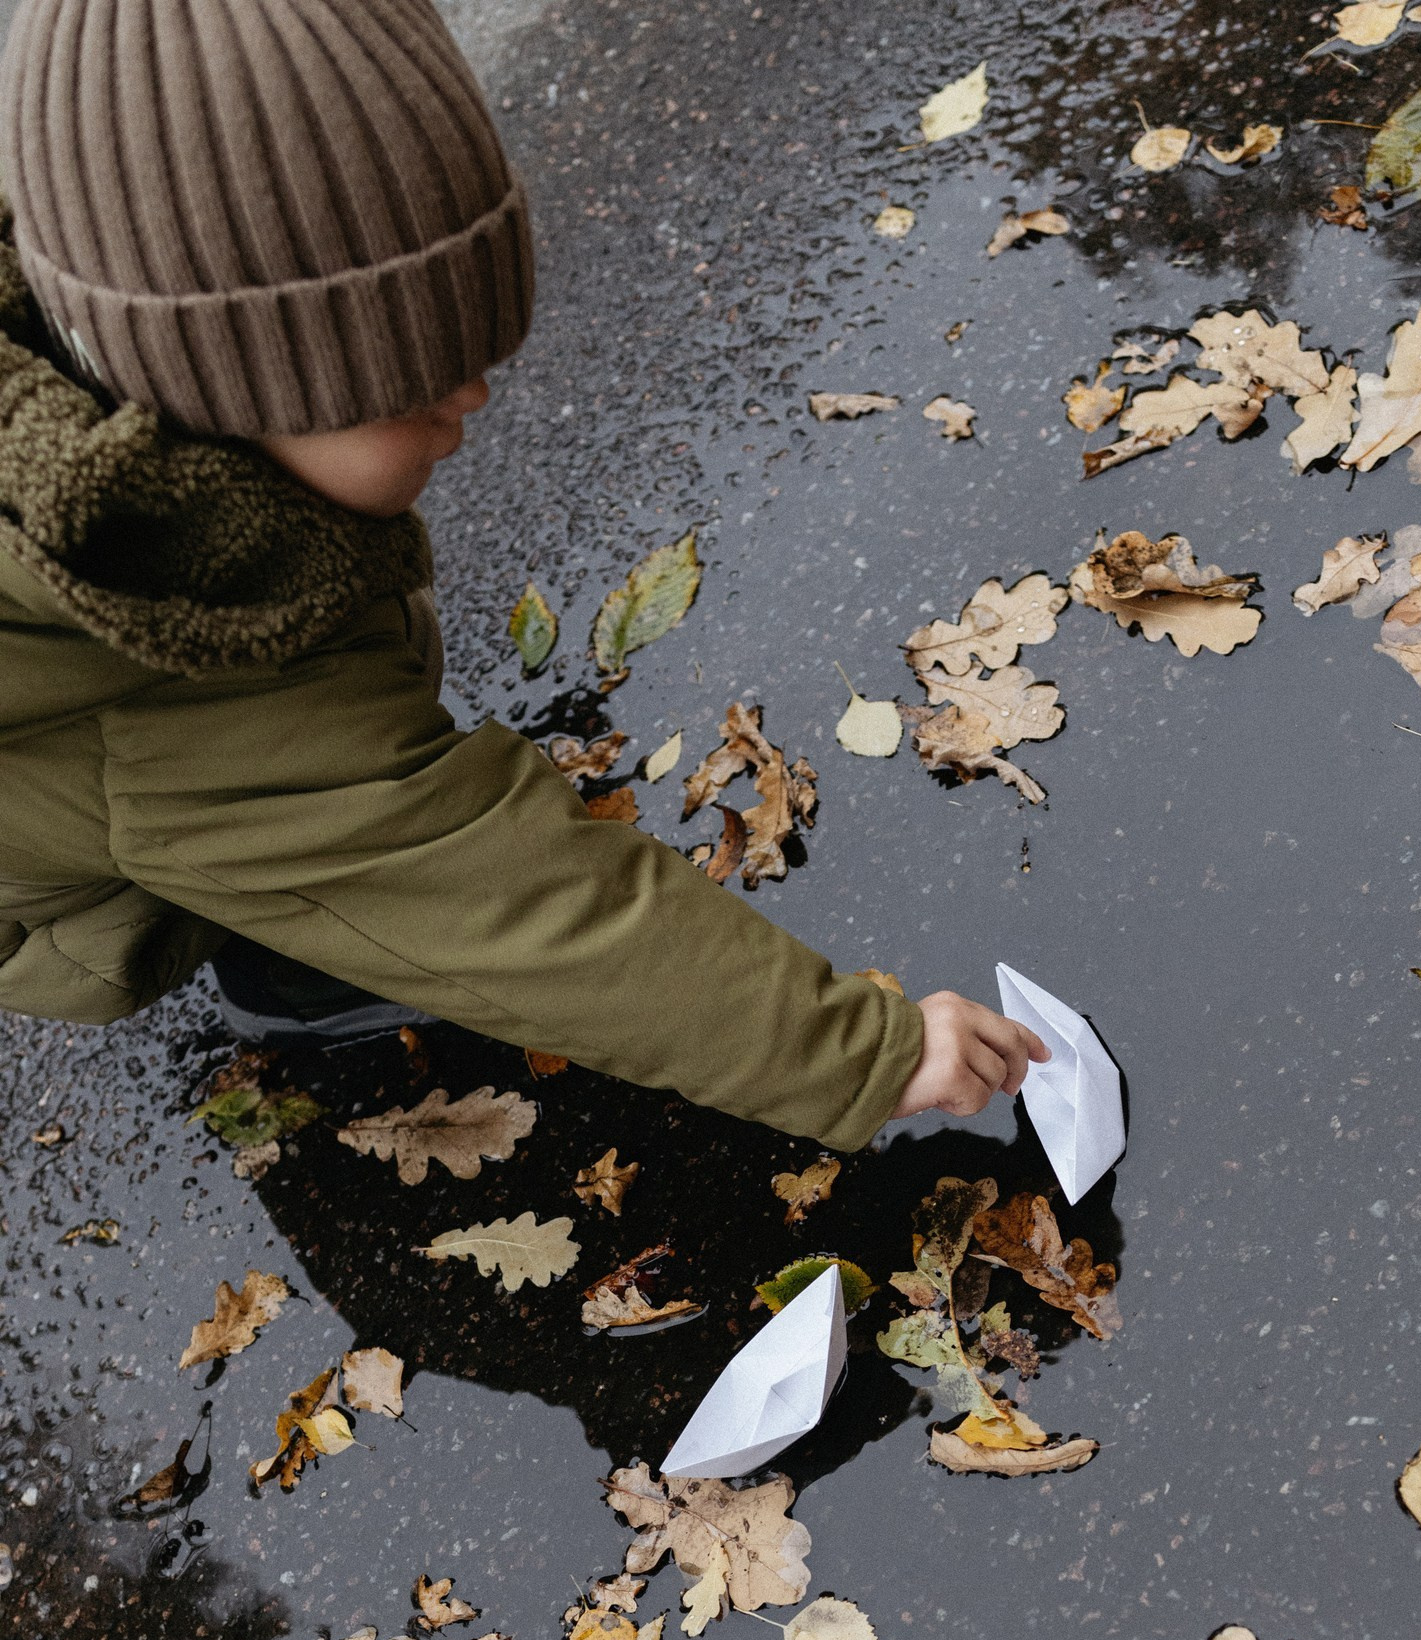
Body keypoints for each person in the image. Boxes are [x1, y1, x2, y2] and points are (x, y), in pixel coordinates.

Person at [0, 0, 1042, 1154]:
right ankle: (295, 962)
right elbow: (513, 907)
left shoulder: (79, 284)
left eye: (474, 354)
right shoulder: (178, 660)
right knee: (336, 826)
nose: (473, 402)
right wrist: (866, 1052)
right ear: (214, 390)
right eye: (411, 392)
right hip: (50, 890)